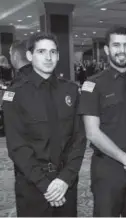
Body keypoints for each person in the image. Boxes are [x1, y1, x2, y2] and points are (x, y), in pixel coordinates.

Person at [2, 32, 86, 216]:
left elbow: (79, 139)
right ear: (30, 56)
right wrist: (46, 186)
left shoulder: (71, 90)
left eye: (53, 52)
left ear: (58, 55)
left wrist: (65, 179)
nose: (48, 57)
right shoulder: (15, 95)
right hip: (33, 185)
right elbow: (17, 147)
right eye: (41, 51)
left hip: (66, 183)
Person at [78, 26, 126, 217]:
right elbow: (92, 132)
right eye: (116, 45)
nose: (122, 50)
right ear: (107, 50)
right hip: (108, 170)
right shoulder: (93, 84)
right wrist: (125, 159)